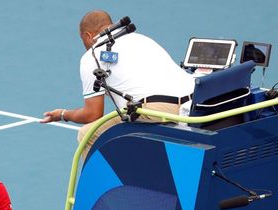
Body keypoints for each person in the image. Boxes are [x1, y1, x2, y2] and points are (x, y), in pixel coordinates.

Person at [40, 10, 194, 154]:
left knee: (87, 135)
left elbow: (92, 114)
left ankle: (109, 183)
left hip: (158, 111)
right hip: (196, 103)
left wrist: (63, 114)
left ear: (87, 36)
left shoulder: (92, 56)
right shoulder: (142, 38)